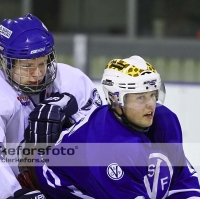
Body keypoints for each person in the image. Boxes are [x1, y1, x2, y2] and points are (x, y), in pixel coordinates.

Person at [32, 55, 200, 199]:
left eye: (153, 95)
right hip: (57, 188)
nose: (151, 105)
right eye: (140, 98)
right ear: (115, 100)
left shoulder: (165, 120)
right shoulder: (108, 148)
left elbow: (182, 178)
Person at [0, 13, 102, 199]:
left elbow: (101, 134)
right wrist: (15, 193)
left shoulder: (72, 80)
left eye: (42, 63)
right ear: (6, 62)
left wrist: (73, 121)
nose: (37, 73)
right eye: (27, 66)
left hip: (65, 180)